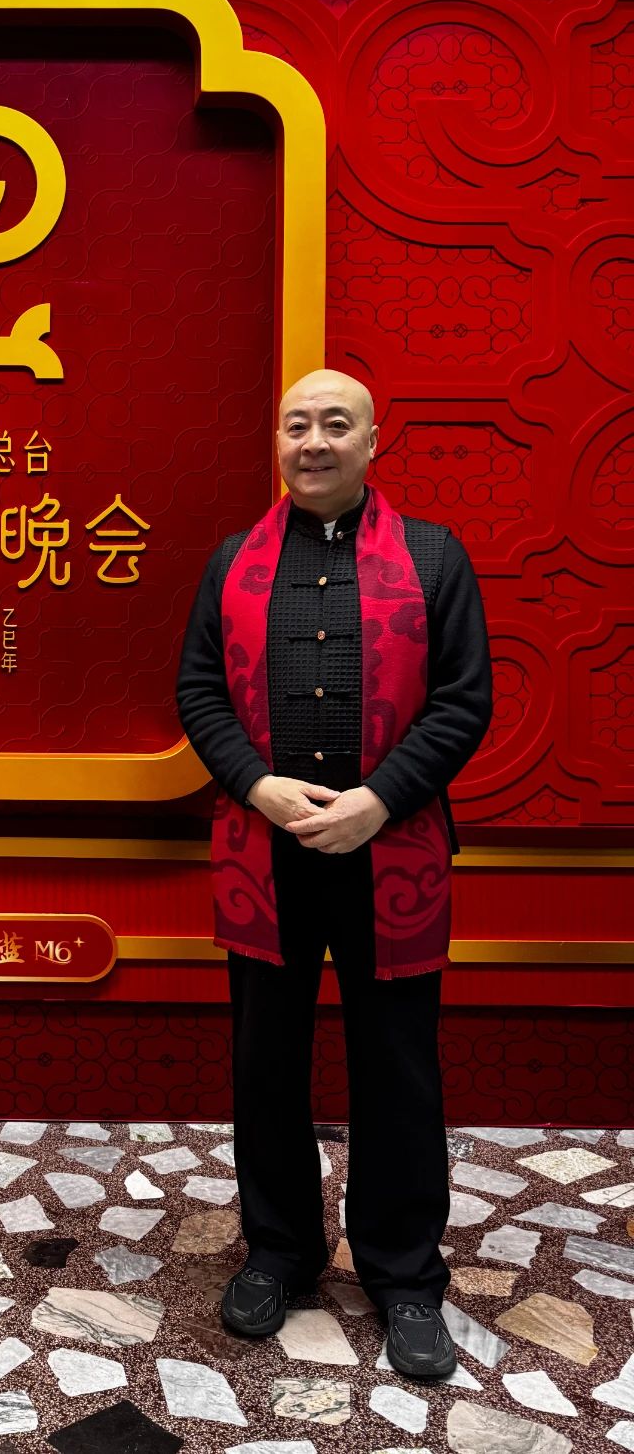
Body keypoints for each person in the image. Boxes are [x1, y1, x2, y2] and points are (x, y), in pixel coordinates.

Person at [175, 368, 492, 1381]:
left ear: (370, 442)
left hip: (389, 850)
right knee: (264, 1060)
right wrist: (256, 785)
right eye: (295, 424)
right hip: (265, 854)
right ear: (277, 441)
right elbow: (197, 690)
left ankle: (404, 1273)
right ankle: (279, 1249)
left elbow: (463, 700)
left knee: (397, 1065)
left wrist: (377, 799)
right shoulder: (232, 562)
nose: (312, 441)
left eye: (334, 424)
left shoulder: (434, 557)